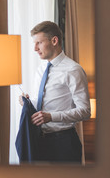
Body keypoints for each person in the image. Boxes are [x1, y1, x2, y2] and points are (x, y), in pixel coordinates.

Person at [19, 21, 91, 163]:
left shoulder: (73, 70)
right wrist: (27, 102)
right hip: (39, 141)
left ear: (54, 40)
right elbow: (40, 104)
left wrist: (51, 117)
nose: (35, 48)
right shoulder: (40, 70)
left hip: (63, 143)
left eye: (39, 42)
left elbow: (85, 111)